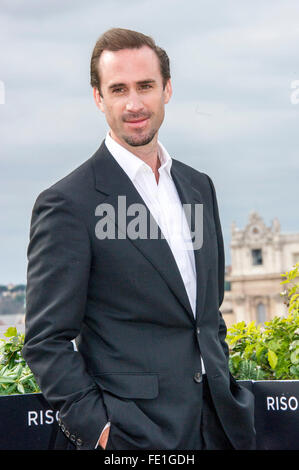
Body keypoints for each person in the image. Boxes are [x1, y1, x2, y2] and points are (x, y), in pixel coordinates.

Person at [22, 28, 256, 451]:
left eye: (145, 86)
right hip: (132, 437)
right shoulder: (68, 203)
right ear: (98, 97)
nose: (134, 104)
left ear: (167, 89)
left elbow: (207, 314)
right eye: (118, 89)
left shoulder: (198, 186)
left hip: (222, 425)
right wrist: (100, 430)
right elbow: (45, 340)